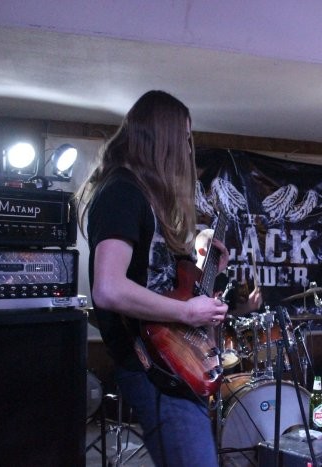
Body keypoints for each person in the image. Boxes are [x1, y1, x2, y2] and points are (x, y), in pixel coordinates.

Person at [77, 90, 229, 467]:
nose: (188, 150)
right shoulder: (121, 192)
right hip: (151, 366)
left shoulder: (145, 198)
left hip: (172, 363)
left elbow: (163, 285)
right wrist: (188, 313)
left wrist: (209, 272)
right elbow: (108, 288)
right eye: (184, 138)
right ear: (163, 139)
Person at [195, 228, 263, 315]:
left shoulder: (225, 281)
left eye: (223, 249)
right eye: (218, 250)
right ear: (202, 252)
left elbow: (230, 315)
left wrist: (247, 307)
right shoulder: (188, 276)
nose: (222, 254)